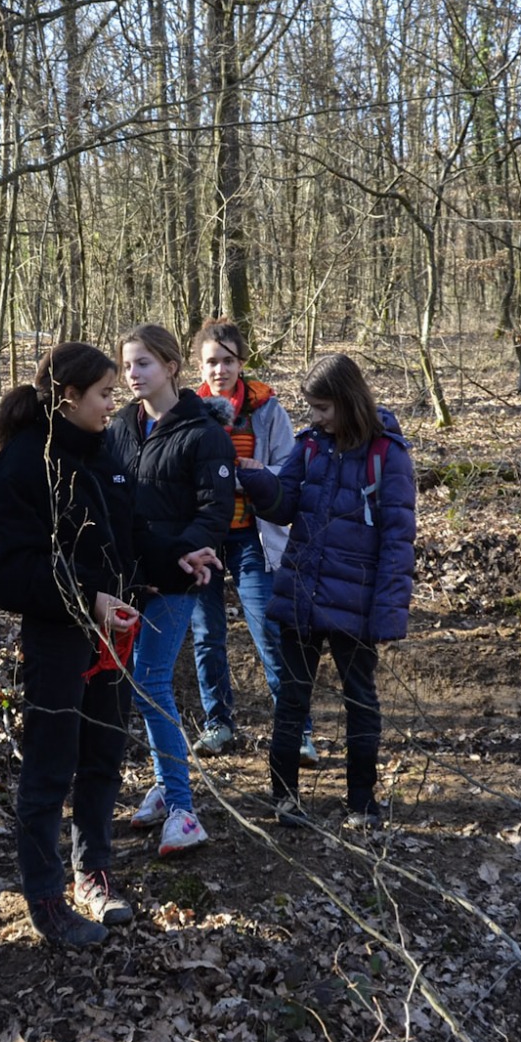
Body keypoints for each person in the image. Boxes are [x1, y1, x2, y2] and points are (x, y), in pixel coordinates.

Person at [0, 342, 153, 947]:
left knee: (104, 756)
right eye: (105, 393)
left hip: (115, 637)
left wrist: (178, 557)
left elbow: (131, 534)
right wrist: (88, 598)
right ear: (67, 397)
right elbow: (11, 573)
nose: (116, 402)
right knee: (51, 770)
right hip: (58, 639)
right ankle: (45, 897)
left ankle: (92, 873)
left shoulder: (105, 454)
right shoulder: (21, 466)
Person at [236, 354, 417, 831]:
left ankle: (362, 803)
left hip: (355, 606)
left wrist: (388, 614)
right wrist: (254, 477)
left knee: (360, 699)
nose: (314, 418)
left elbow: (398, 542)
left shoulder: (388, 455)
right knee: (292, 699)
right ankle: (285, 799)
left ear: (348, 401)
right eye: (311, 409)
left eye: (322, 408)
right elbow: (283, 505)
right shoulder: (311, 446)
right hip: (300, 594)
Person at [104, 324, 229, 856]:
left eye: (144, 365)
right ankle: (163, 784)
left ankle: (183, 809)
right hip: (126, 578)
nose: (133, 375)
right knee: (142, 684)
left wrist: (186, 553)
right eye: (128, 366)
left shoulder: (204, 434)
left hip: (179, 579)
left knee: (151, 681)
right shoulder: (118, 428)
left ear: (173, 367)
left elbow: (215, 511)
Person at [185, 318, 313, 764]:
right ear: (198, 367)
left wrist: (255, 473)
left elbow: (290, 470)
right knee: (206, 635)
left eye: (227, 361)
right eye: (210, 363)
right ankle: (218, 724)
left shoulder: (267, 409)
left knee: (269, 631)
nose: (218, 370)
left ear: (242, 362)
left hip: (252, 538)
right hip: (203, 541)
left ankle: (297, 731)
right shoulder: (188, 410)